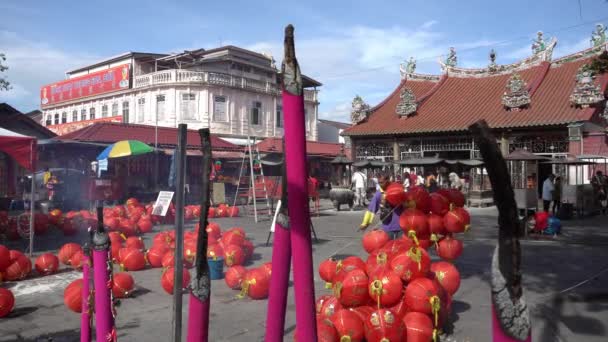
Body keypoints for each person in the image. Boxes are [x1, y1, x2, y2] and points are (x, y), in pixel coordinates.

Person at [359, 174, 403, 239]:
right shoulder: (379, 194)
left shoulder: (399, 190)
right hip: (387, 228)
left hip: (401, 228)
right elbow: (371, 210)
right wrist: (365, 223)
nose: (380, 185)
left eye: (382, 182)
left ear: (388, 180)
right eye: (379, 183)